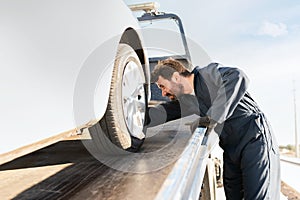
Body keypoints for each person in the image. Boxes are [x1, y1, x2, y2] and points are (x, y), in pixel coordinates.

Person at [147, 58, 281, 200]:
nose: (163, 93)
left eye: (162, 86)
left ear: (175, 76)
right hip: (231, 149)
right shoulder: (187, 102)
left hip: (254, 139)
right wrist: (132, 116)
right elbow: (161, 113)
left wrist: (212, 118)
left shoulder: (207, 75)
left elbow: (238, 76)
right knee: (233, 195)